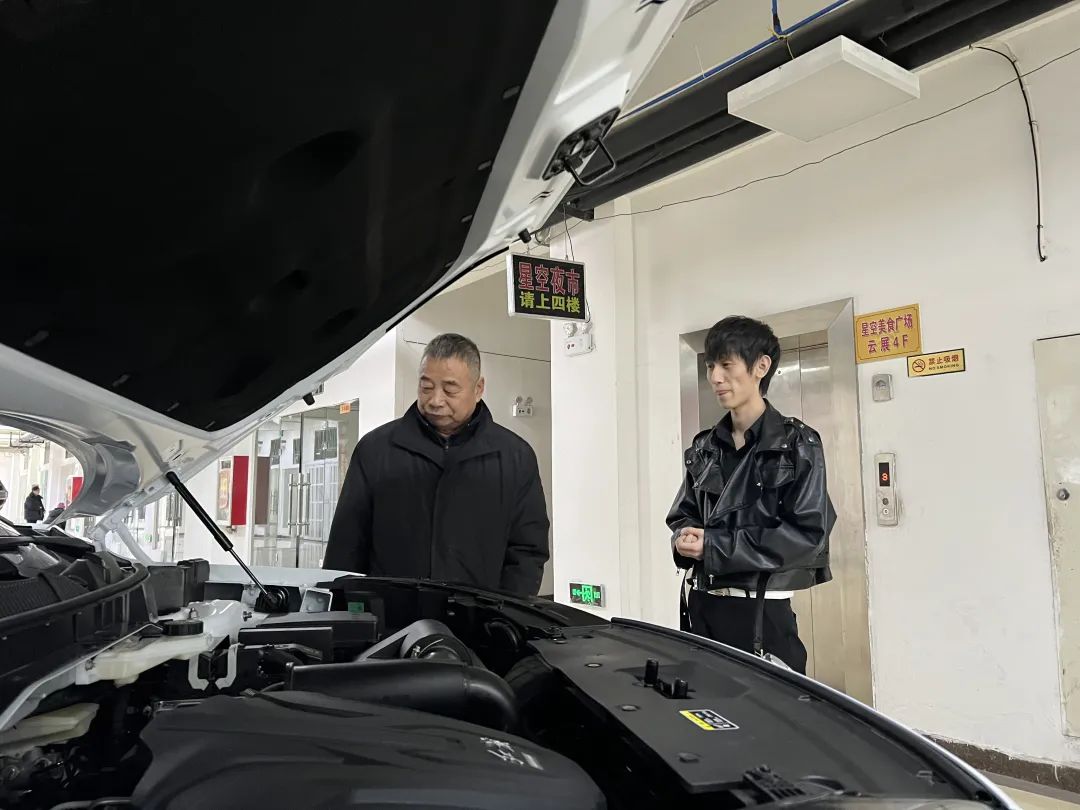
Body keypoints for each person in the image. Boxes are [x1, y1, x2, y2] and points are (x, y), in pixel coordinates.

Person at [667, 316, 834, 674]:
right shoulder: (705, 446)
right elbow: (683, 514)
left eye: (727, 365)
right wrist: (684, 538)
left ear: (761, 366)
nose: (715, 377)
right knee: (702, 701)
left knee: (770, 705)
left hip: (761, 610)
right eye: (711, 366)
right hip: (701, 603)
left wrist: (714, 545)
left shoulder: (797, 444)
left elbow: (807, 536)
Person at [323, 333, 550, 596]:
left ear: (478, 389)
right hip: (389, 614)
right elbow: (347, 544)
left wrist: (505, 612)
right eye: (426, 387)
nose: (435, 400)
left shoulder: (514, 457)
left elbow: (527, 551)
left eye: (450, 389)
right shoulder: (376, 450)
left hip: (480, 617)